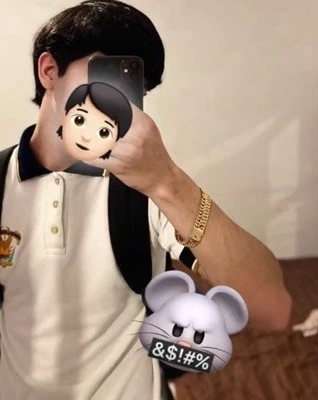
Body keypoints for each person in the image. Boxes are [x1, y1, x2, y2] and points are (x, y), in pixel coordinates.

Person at [0, 1, 292, 399]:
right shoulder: (2, 183)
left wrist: (168, 182)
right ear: (49, 71)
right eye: (107, 74)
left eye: (133, 85)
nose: (119, 102)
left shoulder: (146, 188)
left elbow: (272, 309)